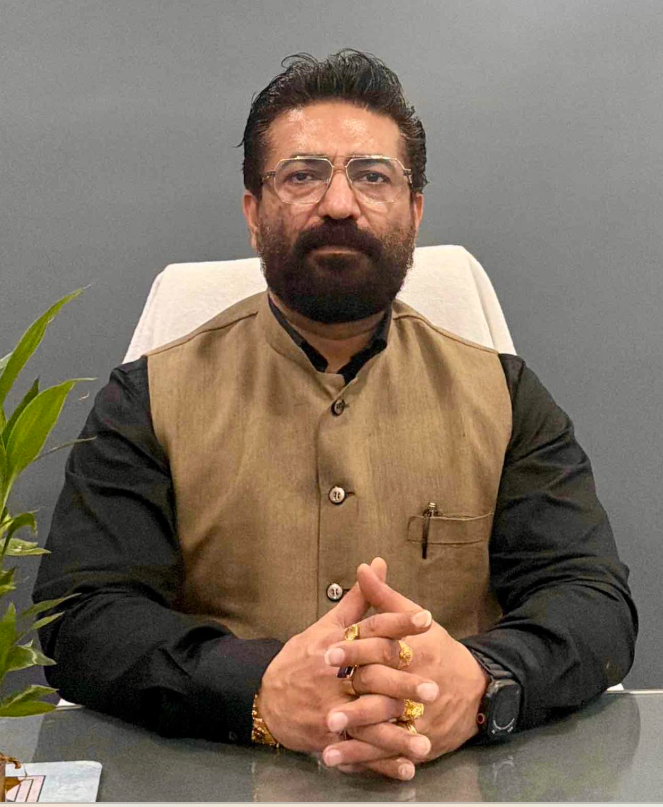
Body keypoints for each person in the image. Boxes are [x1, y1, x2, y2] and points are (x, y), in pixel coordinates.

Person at [34, 50, 637, 782]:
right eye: (302, 175)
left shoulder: (504, 395)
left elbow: (593, 600)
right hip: (215, 777)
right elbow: (84, 614)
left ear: (414, 212)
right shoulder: (147, 398)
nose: (340, 204)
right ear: (253, 213)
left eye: (373, 176)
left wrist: (481, 682)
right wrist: (256, 689)